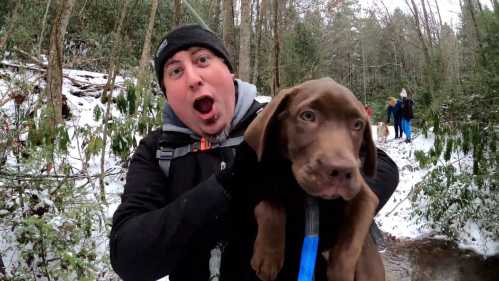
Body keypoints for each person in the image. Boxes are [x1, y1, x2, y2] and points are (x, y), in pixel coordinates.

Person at [109, 24, 399, 281]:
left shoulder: (274, 123)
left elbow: (381, 168)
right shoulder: (158, 151)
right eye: (175, 71)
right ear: (166, 93)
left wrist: (331, 219)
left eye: (202, 60)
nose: (193, 78)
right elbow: (129, 256)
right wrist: (230, 186)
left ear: (228, 70)